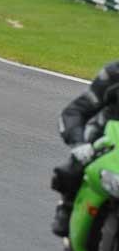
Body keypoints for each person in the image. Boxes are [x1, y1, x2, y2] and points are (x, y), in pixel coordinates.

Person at [51, 61, 119, 237]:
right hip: (108, 144)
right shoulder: (114, 74)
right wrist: (78, 143)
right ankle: (68, 203)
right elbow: (74, 111)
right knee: (70, 170)